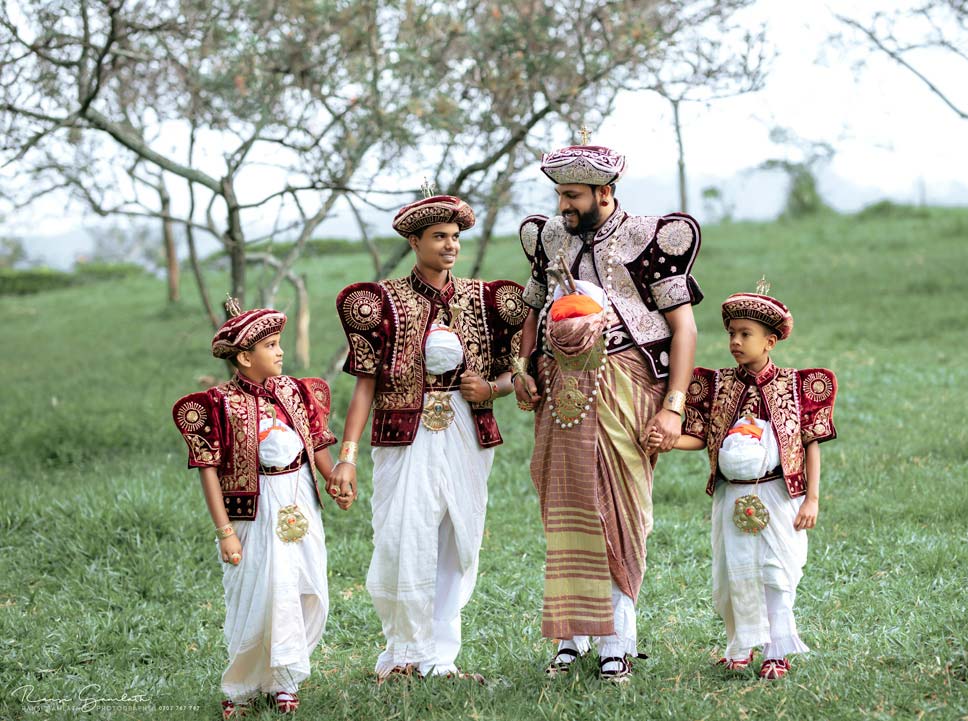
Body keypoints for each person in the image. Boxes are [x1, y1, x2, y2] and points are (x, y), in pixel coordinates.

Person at [512, 138, 702, 682]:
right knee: (567, 505)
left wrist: (673, 407)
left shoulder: (648, 238)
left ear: (605, 192)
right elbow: (532, 310)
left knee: (622, 510)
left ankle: (618, 638)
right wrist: (523, 369)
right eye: (559, 195)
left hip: (627, 382)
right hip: (562, 387)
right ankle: (570, 636)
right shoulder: (549, 236)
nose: (562, 206)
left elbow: (684, 328)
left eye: (572, 196)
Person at [329, 193, 527, 682]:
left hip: (466, 429)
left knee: (457, 539)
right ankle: (402, 652)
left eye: (455, 237)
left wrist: (491, 389)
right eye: (439, 237)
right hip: (404, 433)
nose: (450, 245)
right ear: (414, 242)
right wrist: (347, 457)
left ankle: (440, 657)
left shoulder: (487, 300)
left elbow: (519, 376)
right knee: (400, 537)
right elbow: (366, 386)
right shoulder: (381, 303)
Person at [648, 283, 837, 680]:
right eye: (732, 333)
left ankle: (776, 651)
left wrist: (812, 499)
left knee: (775, 573)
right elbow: (700, 438)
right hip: (730, 494)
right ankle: (739, 647)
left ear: (770, 342)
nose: (735, 341)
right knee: (734, 572)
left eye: (745, 334)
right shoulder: (717, 386)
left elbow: (810, 443)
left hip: (777, 494)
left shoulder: (795, 386)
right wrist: (668, 440)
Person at [171, 299, 337, 717]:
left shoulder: (295, 391)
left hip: (299, 498)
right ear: (245, 357)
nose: (281, 352)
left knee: (300, 587)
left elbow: (315, 441)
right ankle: (242, 687)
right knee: (259, 594)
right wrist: (225, 531)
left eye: (279, 343)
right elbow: (208, 471)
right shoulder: (219, 405)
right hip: (253, 511)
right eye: (271, 346)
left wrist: (334, 478)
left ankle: (284, 680)